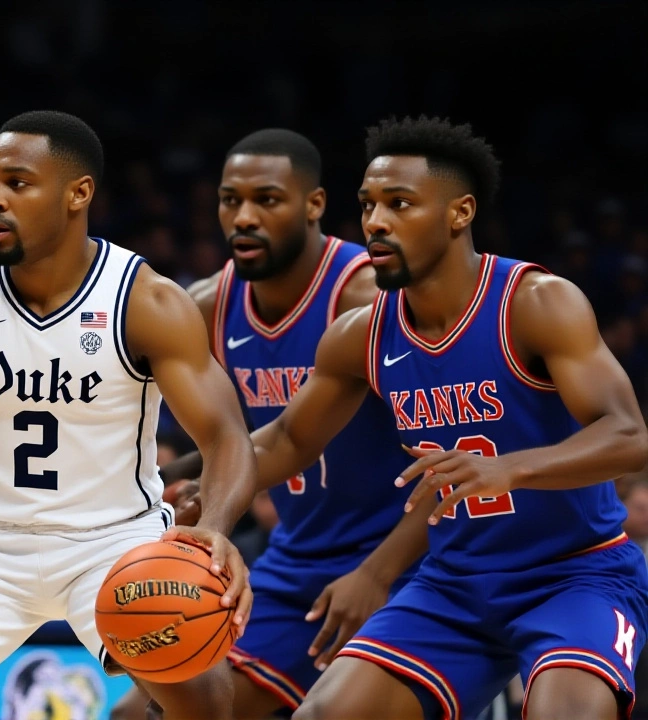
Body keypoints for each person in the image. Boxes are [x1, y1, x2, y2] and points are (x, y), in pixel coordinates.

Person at [0, 110, 259, 720]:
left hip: (112, 540)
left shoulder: (144, 300)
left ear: (78, 193)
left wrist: (214, 526)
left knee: (205, 699)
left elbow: (226, 436)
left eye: (17, 183)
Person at [256, 116, 648, 720]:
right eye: (367, 205)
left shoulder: (535, 302)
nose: (375, 222)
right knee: (323, 714)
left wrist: (508, 470)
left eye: (399, 204)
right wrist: (188, 483)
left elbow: (629, 435)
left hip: (575, 574)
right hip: (453, 582)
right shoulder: (360, 335)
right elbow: (285, 438)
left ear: (459, 213)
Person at [115, 129, 428, 719]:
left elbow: (454, 453)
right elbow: (237, 444)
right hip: (297, 556)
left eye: (267, 199)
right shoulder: (208, 305)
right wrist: (175, 487)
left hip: (405, 555)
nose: (244, 216)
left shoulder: (364, 296)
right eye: (230, 200)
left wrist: (377, 573)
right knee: (143, 711)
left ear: (313, 205)